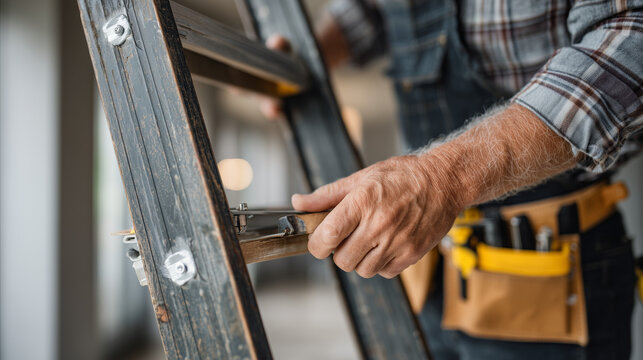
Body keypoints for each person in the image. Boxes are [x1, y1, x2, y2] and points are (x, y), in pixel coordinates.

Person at [262, 1, 642, 359]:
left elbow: (631, 36)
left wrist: (443, 178)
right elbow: (374, 9)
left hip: (545, 279)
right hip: (426, 268)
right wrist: (309, 56)